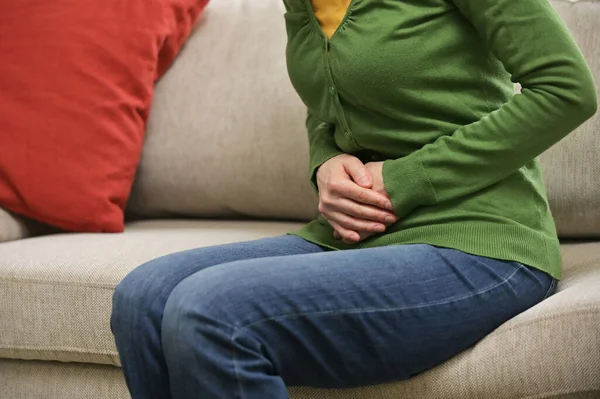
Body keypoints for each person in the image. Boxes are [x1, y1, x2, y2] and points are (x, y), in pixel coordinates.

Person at [111, 0, 597, 398]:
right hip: (362, 234)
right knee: (144, 297)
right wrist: (324, 163)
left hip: (482, 240)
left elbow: (566, 89)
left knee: (210, 311)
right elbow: (329, 103)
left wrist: (407, 178)